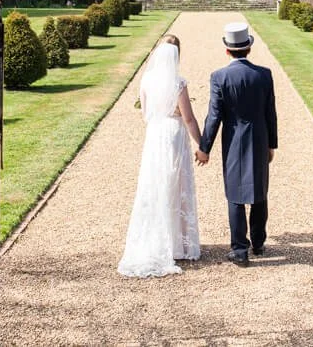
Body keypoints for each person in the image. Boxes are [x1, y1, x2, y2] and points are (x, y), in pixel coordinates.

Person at [118, 36, 202, 277]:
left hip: (155, 134)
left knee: (154, 185)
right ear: (177, 55)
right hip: (174, 135)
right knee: (175, 185)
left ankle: (156, 240)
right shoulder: (178, 83)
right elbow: (188, 118)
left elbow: (145, 114)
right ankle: (178, 244)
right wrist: (202, 144)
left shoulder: (146, 80)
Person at [196, 22, 278, 266]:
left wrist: (204, 147)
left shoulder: (220, 77)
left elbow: (214, 116)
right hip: (260, 136)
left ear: (227, 50)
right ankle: (259, 243)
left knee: (235, 194)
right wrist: (272, 144)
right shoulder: (264, 74)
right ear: (249, 49)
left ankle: (240, 250)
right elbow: (270, 113)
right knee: (259, 191)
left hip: (233, 139)